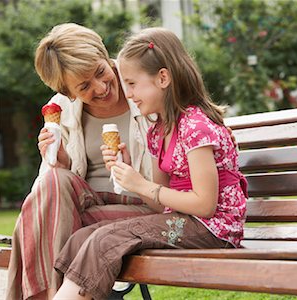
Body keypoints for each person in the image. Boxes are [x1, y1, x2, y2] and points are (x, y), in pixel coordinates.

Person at [52, 27, 248, 299]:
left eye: (132, 83)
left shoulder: (195, 127)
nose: (128, 94)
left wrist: (143, 184)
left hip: (214, 229)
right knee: (81, 238)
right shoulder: (158, 131)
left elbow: (205, 205)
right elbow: (160, 204)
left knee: (104, 240)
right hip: (181, 221)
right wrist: (131, 175)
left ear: (163, 78)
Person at [6, 23, 156, 300]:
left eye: (101, 71)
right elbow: (49, 190)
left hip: (143, 202)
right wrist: (59, 162)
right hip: (86, 203)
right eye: (84, 86)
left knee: (41, 229)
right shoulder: (61, 109)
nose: (101, 87)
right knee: (53, 179)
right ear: (68, 92)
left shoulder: (143, 86)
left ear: (104, 54)